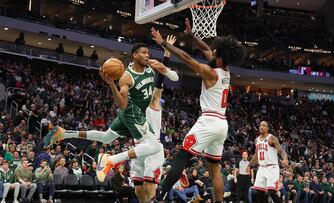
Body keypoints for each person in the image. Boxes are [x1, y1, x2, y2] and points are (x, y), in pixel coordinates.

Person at [44, 37, 179, 203]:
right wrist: (111, 84)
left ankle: (65, 133)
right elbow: (122, 104)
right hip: (133, 113)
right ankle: (111, 160)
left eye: (148, 53)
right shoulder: (126, 77)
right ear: (135, 55)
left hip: (133, 115)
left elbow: (174, 78)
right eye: (144, 53)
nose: (147, 55)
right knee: (155, 146)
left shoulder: (151, 66)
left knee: (107, 137)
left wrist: (163, 66)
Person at [151, 21, 246, 202]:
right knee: (214, 170)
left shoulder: (211, 72)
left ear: (219, 58)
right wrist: (191, 35)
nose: (211, 51)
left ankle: (160, 194)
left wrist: (164, 43)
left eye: (215, 51)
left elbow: (188, 59)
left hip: (209, 122)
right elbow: (206, 49)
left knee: (183, 155)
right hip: (221, 124)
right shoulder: (225, 69)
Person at [247, 121, 289, 203]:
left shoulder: (271, 138)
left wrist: (285, 158)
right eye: (260, 125)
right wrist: (248, 165)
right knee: (259, 191)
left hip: (272, 167)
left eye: (264, 125)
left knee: (271, 192)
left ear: (267, 128)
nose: (261, 127)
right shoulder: (257, 140)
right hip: (262, 168)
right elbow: (256, 155)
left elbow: (281, 151)